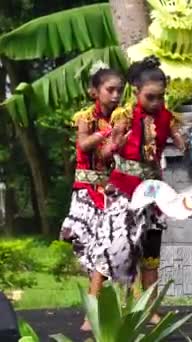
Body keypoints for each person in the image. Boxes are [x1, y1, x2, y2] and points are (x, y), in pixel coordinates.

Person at [94, 55, 185, 323]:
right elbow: (106, 152)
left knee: (151, 252)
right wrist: (116, 142)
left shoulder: (168, 117)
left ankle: (150, 308)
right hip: (124, 191)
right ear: (135, 92)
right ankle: (95, 310)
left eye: (161, 97)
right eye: (150, 97)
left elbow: (183, 145)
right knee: (115, 248)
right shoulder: (123, 116)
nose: (156, 103)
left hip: (154, 194)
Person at [59, 61, 124, 331]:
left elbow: (110, 155)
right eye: (110, 90)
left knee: (103, 251)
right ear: (94, 92)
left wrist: (119, 141)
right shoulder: (85, 117)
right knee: (89, 251)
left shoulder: (123, 117)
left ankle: (92, 313)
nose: (116, 95)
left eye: (120, 90)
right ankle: (96, 309)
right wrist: (107, 133)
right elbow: (84, 145)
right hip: (85, 192)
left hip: (109, 193)